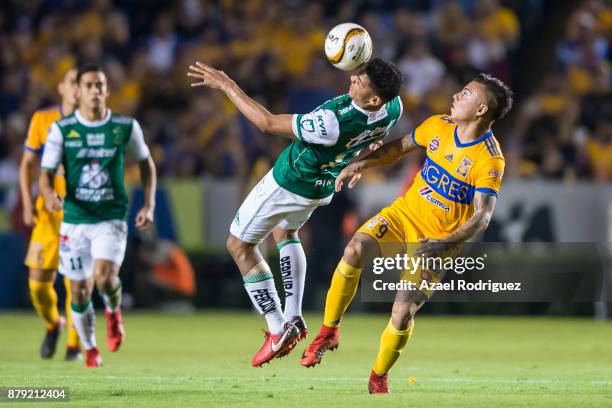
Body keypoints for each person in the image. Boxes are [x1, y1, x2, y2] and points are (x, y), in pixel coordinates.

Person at [301, 74, 513, 394]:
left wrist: (443, 244)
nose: (456, 95)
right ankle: (328, 331)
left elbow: (482, 217)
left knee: (402, 312)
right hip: (403, 216)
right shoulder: (439, 125)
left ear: (481, 109)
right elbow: (400, 147)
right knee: (355, 248)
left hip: (437, 240)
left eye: (466, 93)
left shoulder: (489, 158)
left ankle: (378, 378)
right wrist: (363, 164)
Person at [187, 58, 404, 366]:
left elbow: (266, 123)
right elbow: (374, 132)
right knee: (285, 232)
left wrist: (226, 84)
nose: (353, 78)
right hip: (321, 187)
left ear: (373, 99)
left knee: (238, 245)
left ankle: (277, 329)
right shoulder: (393, 107)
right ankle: (294, 318)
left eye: (361, 80)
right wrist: (359, 154)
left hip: (289, 182)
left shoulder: (332, 123)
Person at [39, 65, 157, 368]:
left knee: (104, 278)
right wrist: (50, 195)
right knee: (78, 290)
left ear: (107, 91)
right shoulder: (62, 130)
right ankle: (90, 350)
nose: (95, 91)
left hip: (110, 218)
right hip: (75, 221)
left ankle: (114, 313)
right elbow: (45, 174)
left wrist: (149, 204)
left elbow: (146, 164)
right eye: (89, 85)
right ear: (77, 91)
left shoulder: (124, 127)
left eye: (99, 85)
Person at [19, 68, 82, 361]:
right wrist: (28, 203)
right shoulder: (42, 120)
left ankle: (73, 346)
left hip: (79, 212)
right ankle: (52, 323)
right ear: (61, 87)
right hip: (47, 213)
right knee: (38, 283)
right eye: (73, 83)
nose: (78, 89)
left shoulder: (95, 124)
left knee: (75, 280)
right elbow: (27, 164)